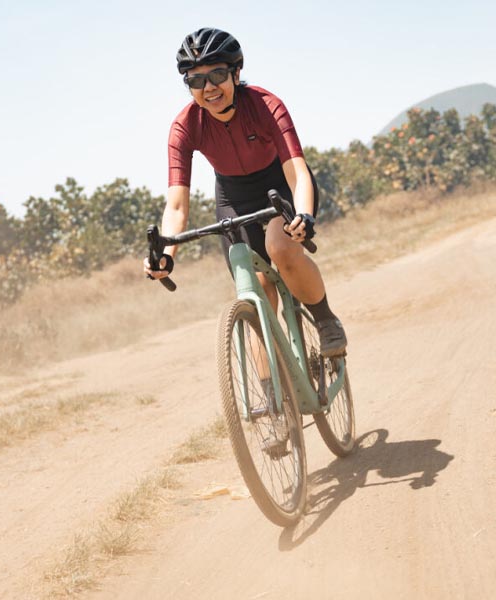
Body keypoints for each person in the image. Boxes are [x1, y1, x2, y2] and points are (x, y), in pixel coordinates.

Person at [143, 27, 347, 357]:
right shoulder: (185, 126)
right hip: (233, 198)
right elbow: (177, 206)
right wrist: (167, 253)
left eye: (217, 74)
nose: (208, 88)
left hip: (280, 187)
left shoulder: (265, 105)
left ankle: (326, 321)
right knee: (254, 289)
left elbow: (296, 172)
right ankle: (270, 397)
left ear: (236, 73)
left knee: (280, 249)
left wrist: (305, 214)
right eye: (196, 80)